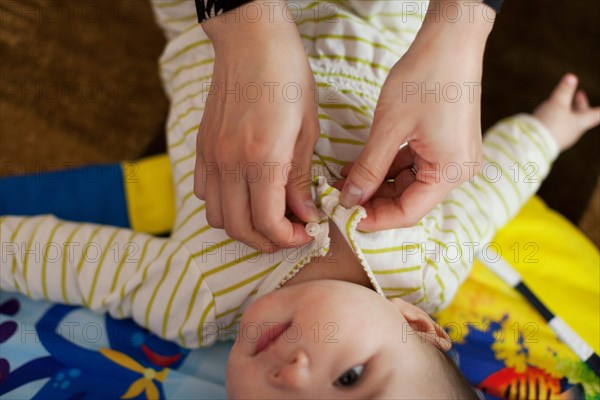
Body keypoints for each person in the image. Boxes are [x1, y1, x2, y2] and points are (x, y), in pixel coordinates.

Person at [2, 0, 599, 396]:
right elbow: (490, 191)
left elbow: (60, 257)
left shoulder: (192, 300)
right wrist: (547, 131)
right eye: (351, 378)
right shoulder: (426, 273)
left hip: (205, 23)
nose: (291, 377)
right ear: (416, 324)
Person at [194, 0, 500, 252]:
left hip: (197, 39)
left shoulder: (211, 302)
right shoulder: (430, 271)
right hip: (394, 22)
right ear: (420, 325)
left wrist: (460, 27)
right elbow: (500, 192)